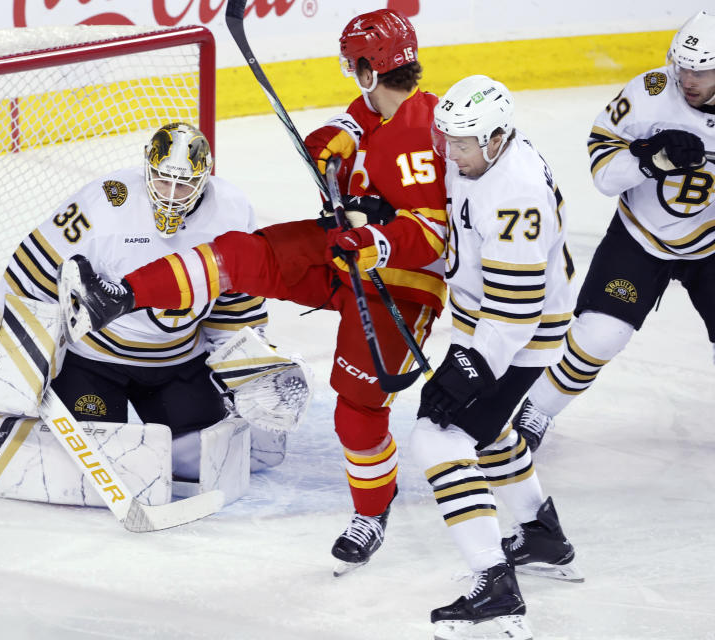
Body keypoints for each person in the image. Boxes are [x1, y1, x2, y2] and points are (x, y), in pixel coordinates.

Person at [60, 8, 448, 575]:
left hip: (399, 285)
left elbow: (431, 236)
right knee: (244, 254)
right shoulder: (382, 112)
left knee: (357, 413)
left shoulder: (418, 132)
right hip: (345, 256)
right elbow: (358, 124)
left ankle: (372, 511)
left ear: (370, 67)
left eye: (354, 65)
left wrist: (375, 234)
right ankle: (117, 297)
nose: (351, 77)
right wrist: (339, 139)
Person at [0, 122, 310, 506]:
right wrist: (25, 352)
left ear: (205, 179)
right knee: (92, 457)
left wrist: (247, 367)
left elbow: (235, 297)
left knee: (206, 454)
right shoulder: (107, 200)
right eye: (162, 178)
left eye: (183, 185)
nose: (169, 192)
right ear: (147, 166)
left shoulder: (232, 209)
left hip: (177, 360)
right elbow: (30, 271)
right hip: (94, 362)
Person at [412, 75, 582, 639]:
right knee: (485, 431)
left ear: (498, 136)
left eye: (462, 143)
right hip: (489, 323)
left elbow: (516, 309)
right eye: (448, 139)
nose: (450, 153)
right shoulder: (479, 154)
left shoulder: (515, 193)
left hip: (517, 334)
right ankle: (540, 532)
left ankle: (496, 588)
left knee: (439, 438)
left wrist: (470, 367)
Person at [513, 9, 715, 452]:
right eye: (683, 66)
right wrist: (649, 161)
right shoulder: (650, 92)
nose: (688, 79)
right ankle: (538, 409)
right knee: (600, 334)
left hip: (711, 245)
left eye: (701, 70)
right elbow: (603, 174)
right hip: (639, 236)